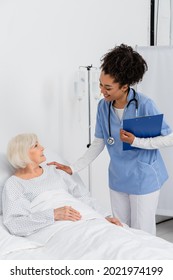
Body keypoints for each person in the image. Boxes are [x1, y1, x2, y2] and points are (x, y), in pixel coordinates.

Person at [48, 44, 172, 235]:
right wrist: (73, 167)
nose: (102, 91)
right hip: (118, 178)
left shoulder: (145, 105)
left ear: (124, 86)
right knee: (120, 231)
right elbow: (99, 142)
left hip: (143, 178)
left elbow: (169, 137)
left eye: (108, 87)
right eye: (100, 84)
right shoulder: (103, 107)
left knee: (143, 234)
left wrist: (137, 141)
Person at [2, 133, 122, 237]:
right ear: (23, 154)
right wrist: (53, 214)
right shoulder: (14, 184)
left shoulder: (54, 170)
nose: (43, 148)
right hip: (57, 227)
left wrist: (104, 216)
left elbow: (82, 196)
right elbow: (15, 224)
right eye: (36, 146)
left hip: (86, 216)